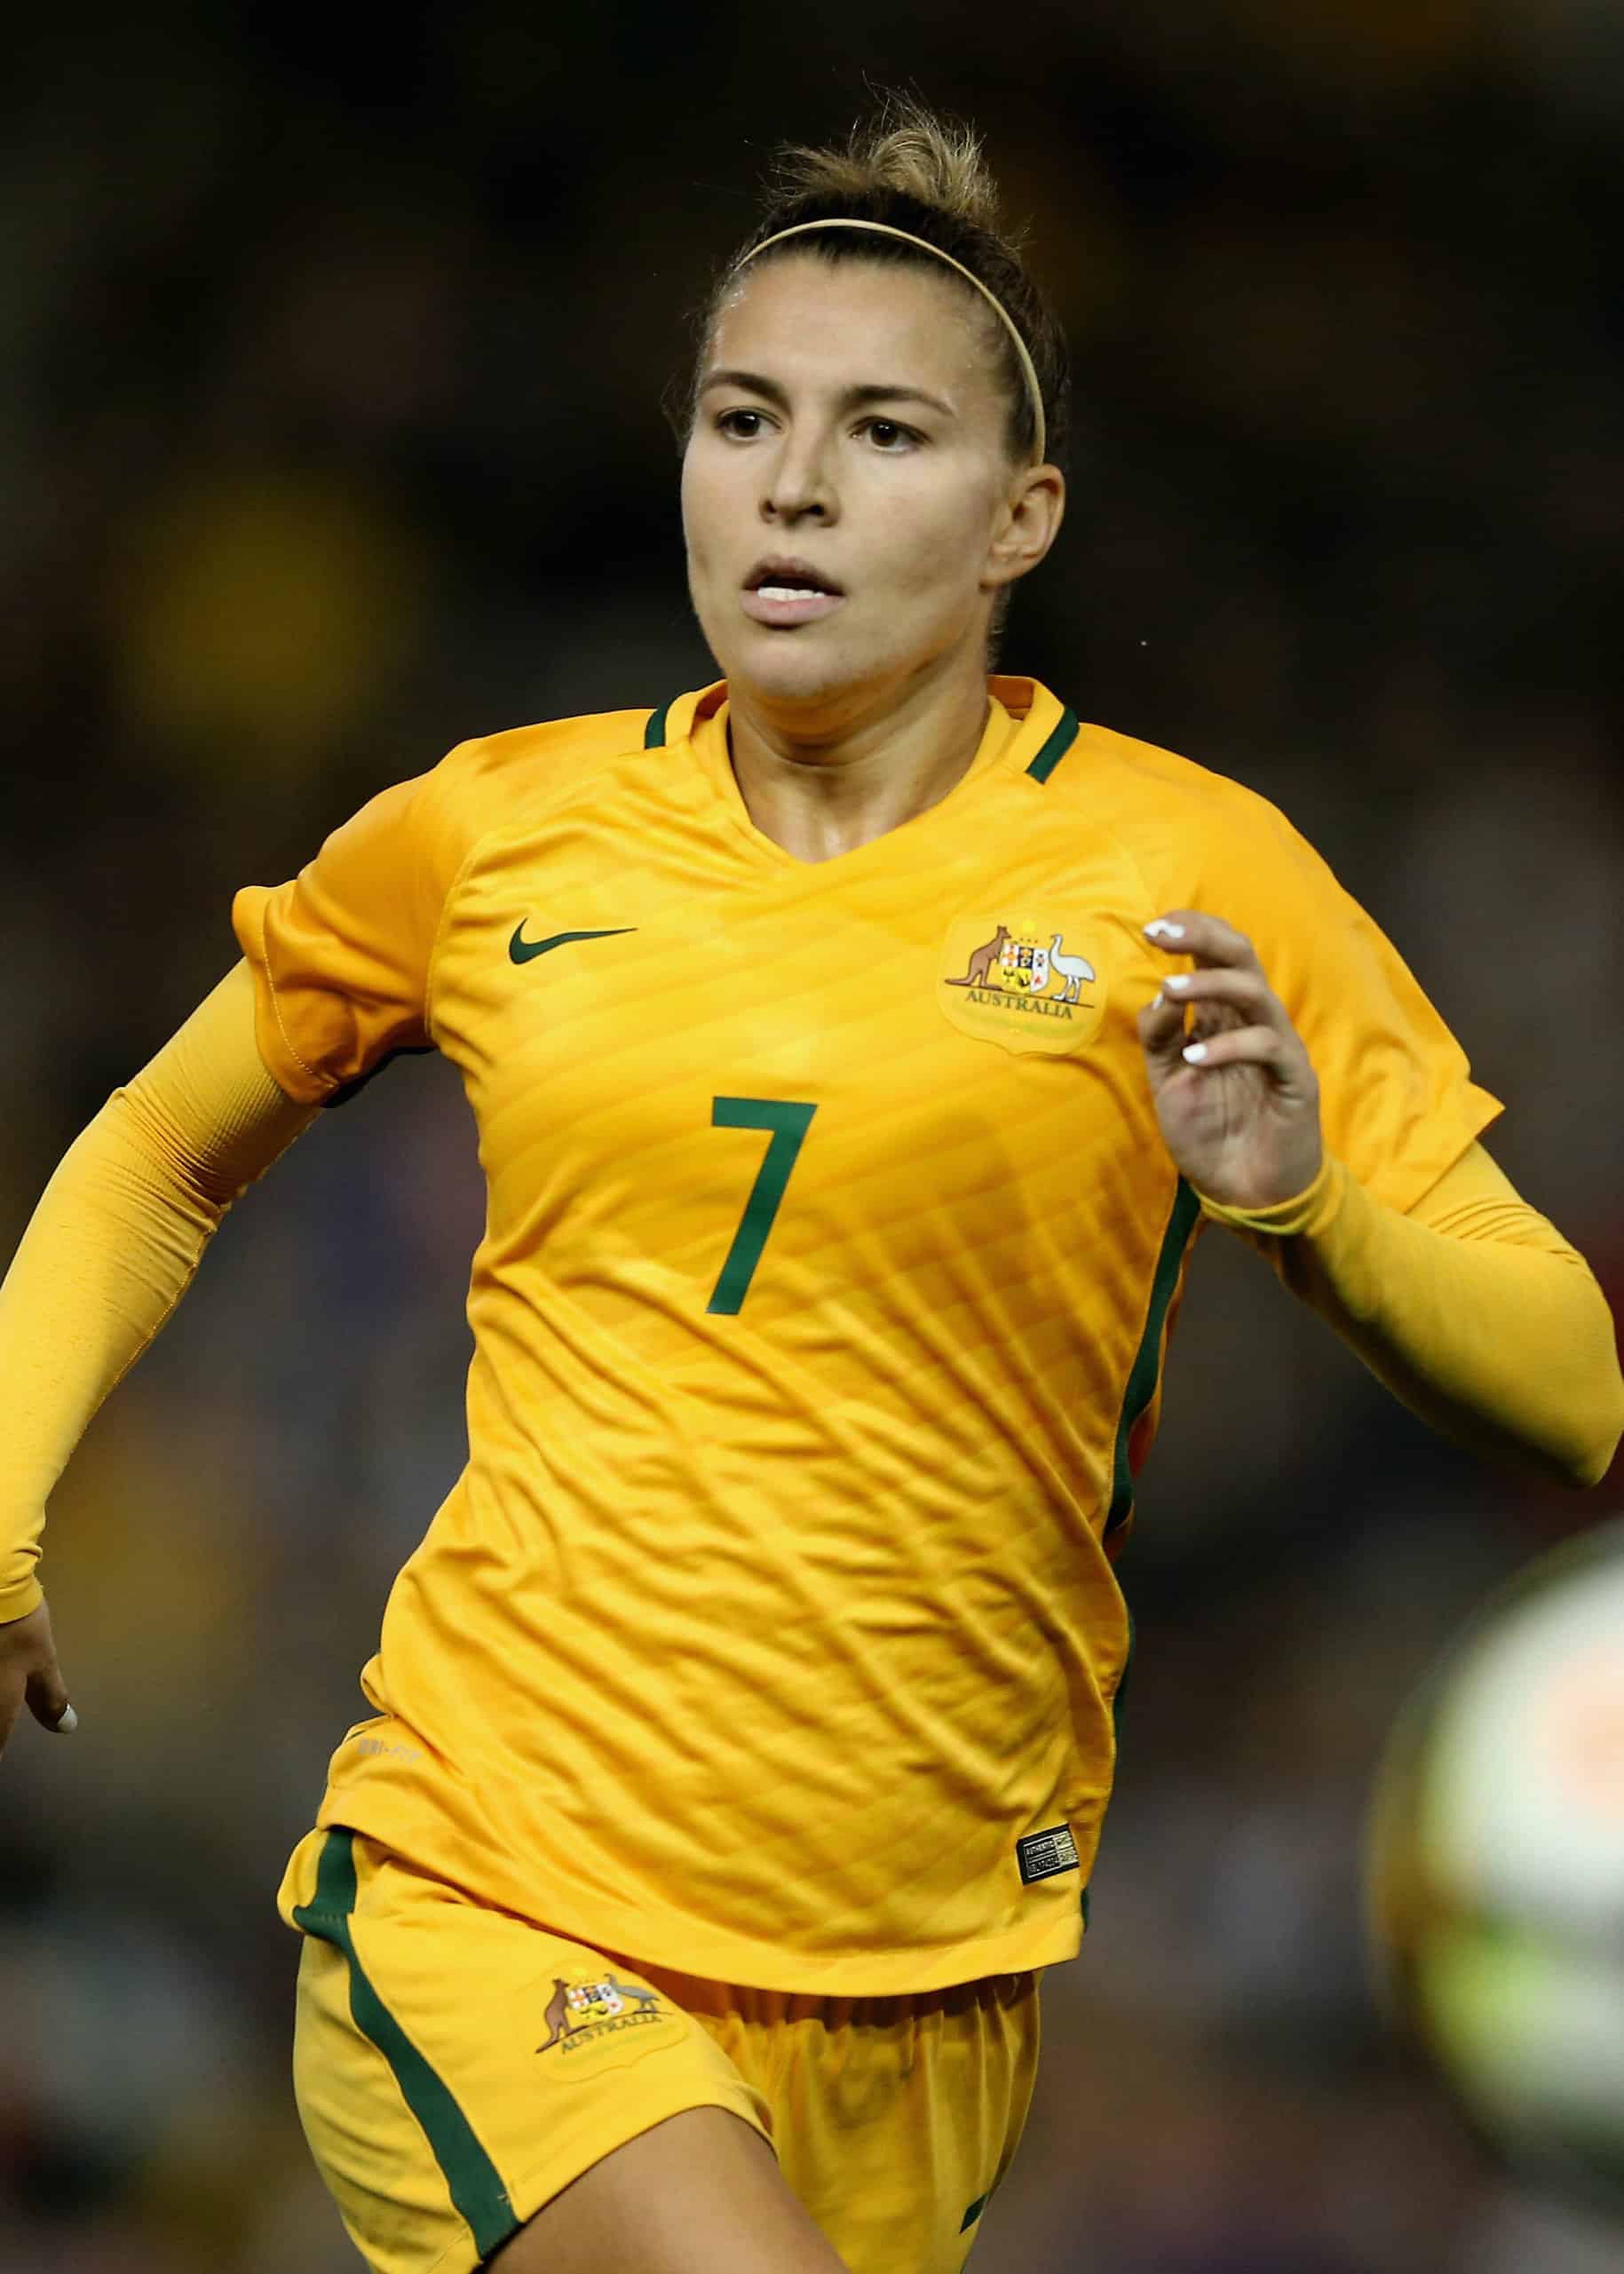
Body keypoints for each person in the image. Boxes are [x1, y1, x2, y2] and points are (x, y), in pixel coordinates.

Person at [2, 99, 1620, 2274]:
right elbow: (154, 1149)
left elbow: (1573, 1392)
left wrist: (1306, 1207)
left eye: (885, 433)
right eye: (743, 418)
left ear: (1022, 515)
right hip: (499, 1894)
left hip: (922, 1996)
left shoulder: (1190, 875)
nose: (792, 484)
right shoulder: (494, 836)